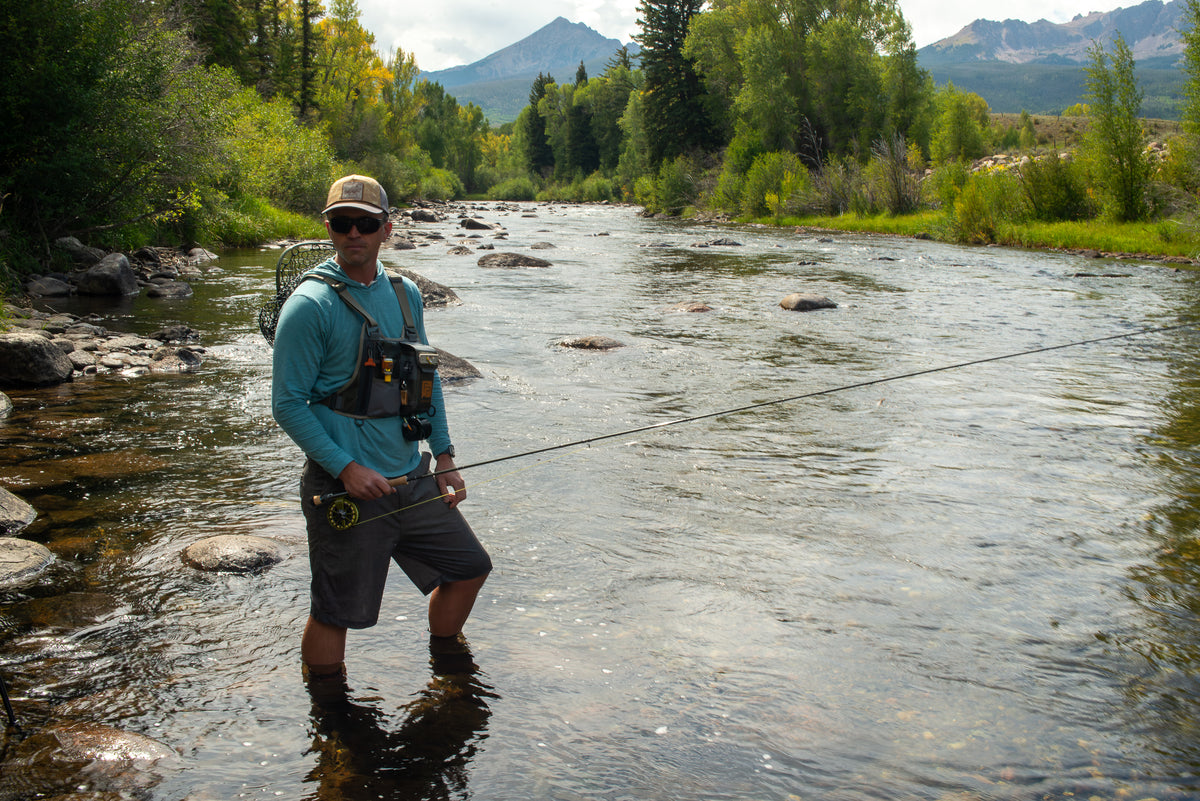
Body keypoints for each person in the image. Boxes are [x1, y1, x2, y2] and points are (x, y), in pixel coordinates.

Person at [271, 174, 491, 684]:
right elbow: (287, 405)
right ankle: (329, 710)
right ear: (328, 228)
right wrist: (346, 468)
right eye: (342, 222)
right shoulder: (309, 305)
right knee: (335, 612)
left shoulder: (405, 293)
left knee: (468, 568)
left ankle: (445, 668)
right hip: (343, 487)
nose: (354, 232)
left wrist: (444, 457)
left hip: (411, 478)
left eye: (366, 224)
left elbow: (426, 379)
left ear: (386, 229)